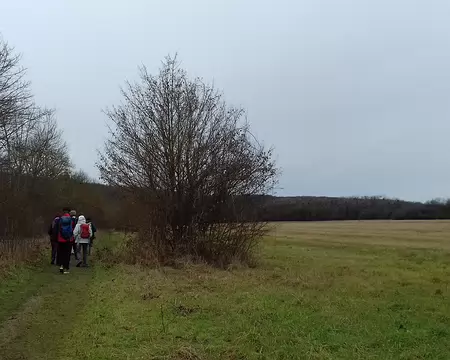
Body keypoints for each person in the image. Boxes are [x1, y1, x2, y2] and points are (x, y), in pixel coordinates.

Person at [55, 208, 74, 274]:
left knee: (61, 253)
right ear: (69, 212)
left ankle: (61, 266)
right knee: (67, 254)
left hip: (60, 239)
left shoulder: (60, 219)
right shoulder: (70, 219)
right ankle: (66, 268)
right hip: (68, 239)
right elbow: (72, 229)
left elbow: (57, 229)